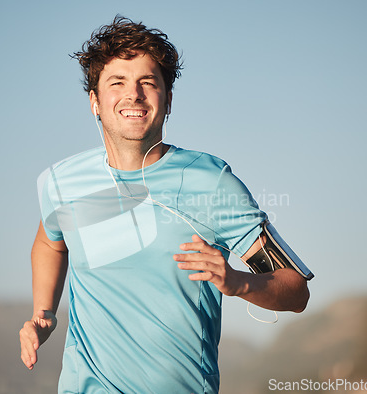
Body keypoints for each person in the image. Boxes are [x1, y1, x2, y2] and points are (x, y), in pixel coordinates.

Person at [19, 15, 311, 394]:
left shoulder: (210, 181)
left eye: (147, 82)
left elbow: (296, 289)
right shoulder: (63, 181)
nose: (133, 94)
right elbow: (49, 241)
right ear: (94, 101)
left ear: (168, 99)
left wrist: (238, 282)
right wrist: (44, 313)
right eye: (117, 82)